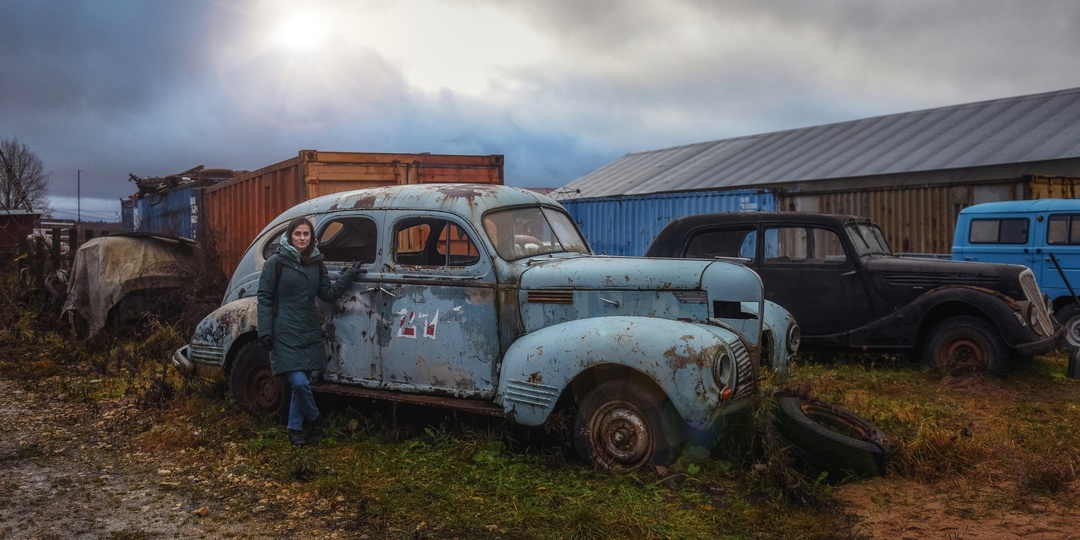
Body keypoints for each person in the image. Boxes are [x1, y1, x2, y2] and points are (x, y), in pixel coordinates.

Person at [257, 216, 364, 445]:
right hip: (283, 329)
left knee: (302, 383)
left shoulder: (317, 262)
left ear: (312, 237)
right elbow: (264, 298)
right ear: (289, 236)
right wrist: (265, 330)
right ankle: (315, 419)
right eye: (298, 234)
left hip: (308, 328)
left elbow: (327, 293)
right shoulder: (275, 263)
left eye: (306, 234)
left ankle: (295, 429)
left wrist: (350, 275)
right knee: (299, 382)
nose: (302, 238)